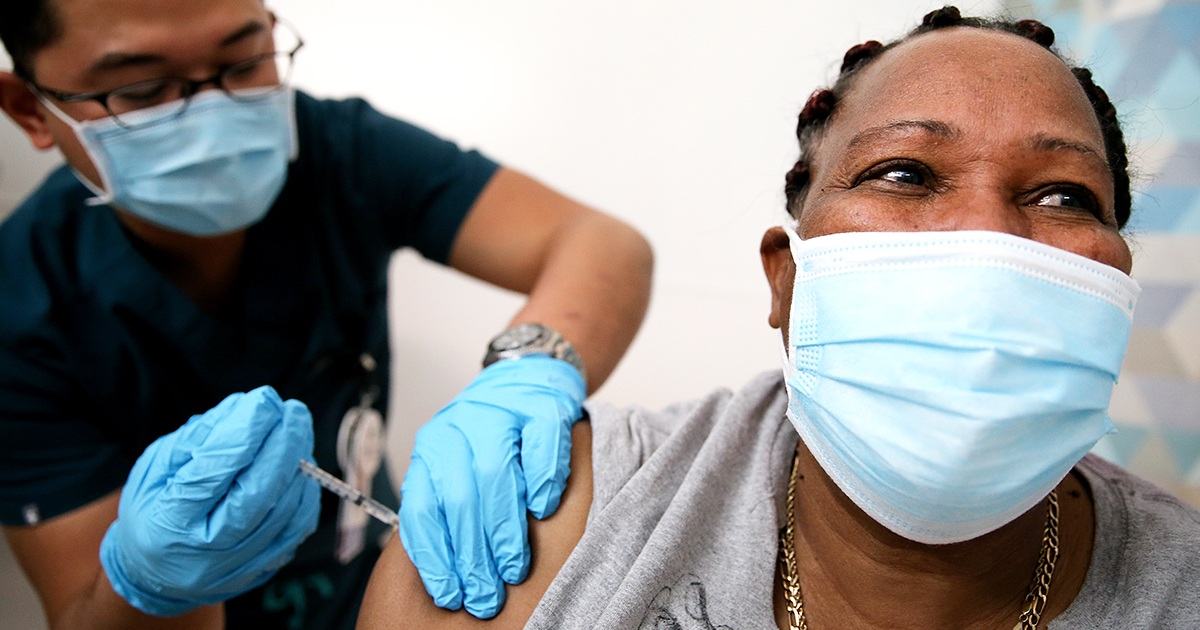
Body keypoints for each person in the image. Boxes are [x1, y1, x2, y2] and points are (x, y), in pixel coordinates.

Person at [356, 7, 1200, 629]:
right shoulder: (542, 527)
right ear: (786, 283)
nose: (985, 235)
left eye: (1062, 195)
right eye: (905, 173)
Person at [0, 0, 653, 628]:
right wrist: (153, 587)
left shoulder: (336, 149)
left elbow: (601, 243)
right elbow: (83, 613)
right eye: (141, 89)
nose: (211, 112)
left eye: (245, 59)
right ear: (31, 108)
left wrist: (529, 371)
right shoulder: (19, 309)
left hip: (370, 575)